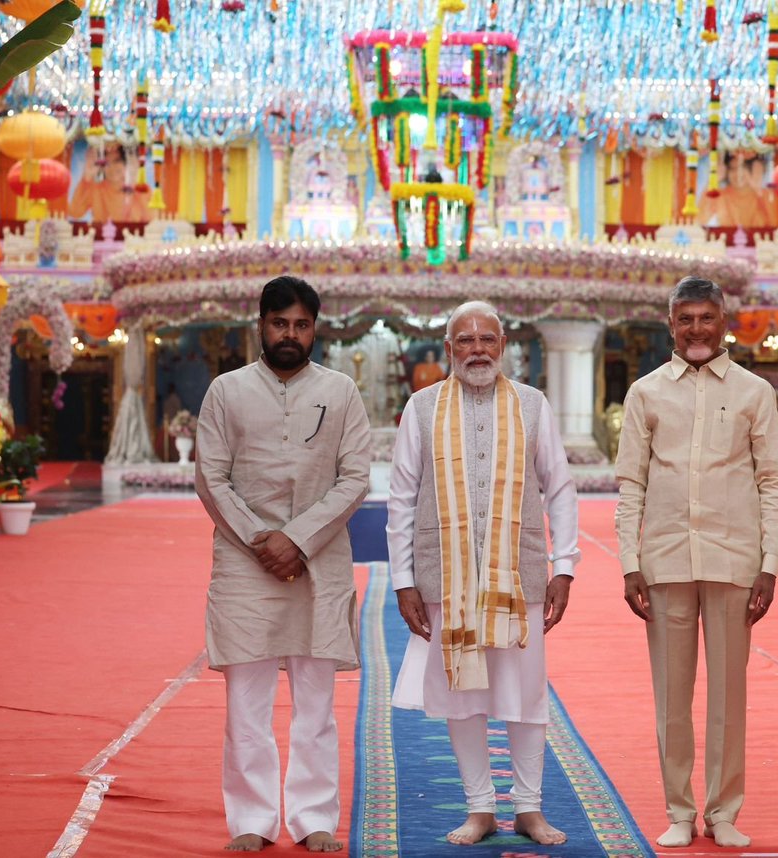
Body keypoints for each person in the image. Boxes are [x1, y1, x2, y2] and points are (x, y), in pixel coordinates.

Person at [386, 300, 579, 847]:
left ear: (503, 346)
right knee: (462, 694)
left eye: (487, 340)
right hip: (444, 575)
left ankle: (529, 808)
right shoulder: (421, 407)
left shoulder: (532, 405)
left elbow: (560, 488)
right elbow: (401, 497)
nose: (477, 350)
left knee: (526, 694)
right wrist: (403, 579)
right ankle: (480, 809)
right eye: (466, 341)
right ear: (448, 349)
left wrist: (564, 567)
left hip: (519, 574)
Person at [195, 275, 372, 853]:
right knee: (246, 704)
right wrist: (261, 540)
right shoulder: (226, 391)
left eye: (301, 325)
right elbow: (211, 478)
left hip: (319, 562)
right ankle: (251, 819)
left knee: (315, 705)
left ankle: (313, 816)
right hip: (244, 564)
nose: (289, 334)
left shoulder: (340, 391)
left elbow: (355, 478)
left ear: (315, 329)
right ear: (260, 326)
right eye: (279, 324)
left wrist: (295, 539)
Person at [614, 276, 778, 849]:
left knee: (728, 697)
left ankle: (723, 810)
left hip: (734, 559)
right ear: (670, 324)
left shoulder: (754, 392)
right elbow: (631, 484)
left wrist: (770, 563)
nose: (696, 329)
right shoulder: (645, 393)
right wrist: (629, 561)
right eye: (685, 319)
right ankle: (679, 809)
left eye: (705, 318)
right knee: (672, 697)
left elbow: (772, 481)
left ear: (723, 323)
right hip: (664, 560)